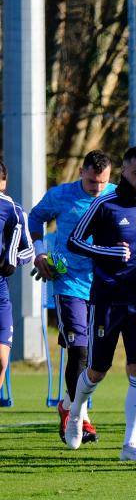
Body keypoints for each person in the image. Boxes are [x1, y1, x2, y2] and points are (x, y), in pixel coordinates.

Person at [65, 145, 136, 463]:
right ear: (123, 173)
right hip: (107, 299)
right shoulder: (105, 205)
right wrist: (108, 252)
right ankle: (75, 411)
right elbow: (74, 241)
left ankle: (130, 445)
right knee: (98, 370)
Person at [28, 150, 115, 444]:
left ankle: (67, 403)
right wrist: (40, 251)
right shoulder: (61, 195)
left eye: (103, 182)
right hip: (69, 284)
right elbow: (35, 218)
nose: (97, 188)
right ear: (81, 172)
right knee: (78, 350)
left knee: (97, 358)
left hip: (105, 286)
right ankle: (80, 418)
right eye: (92, 182)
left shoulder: (116, 194)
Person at [0, 161, 34, 394]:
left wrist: (12, 262)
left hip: (0, 291)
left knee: (1, 360)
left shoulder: (11, 209)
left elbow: (28, 250)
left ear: (3, 182)